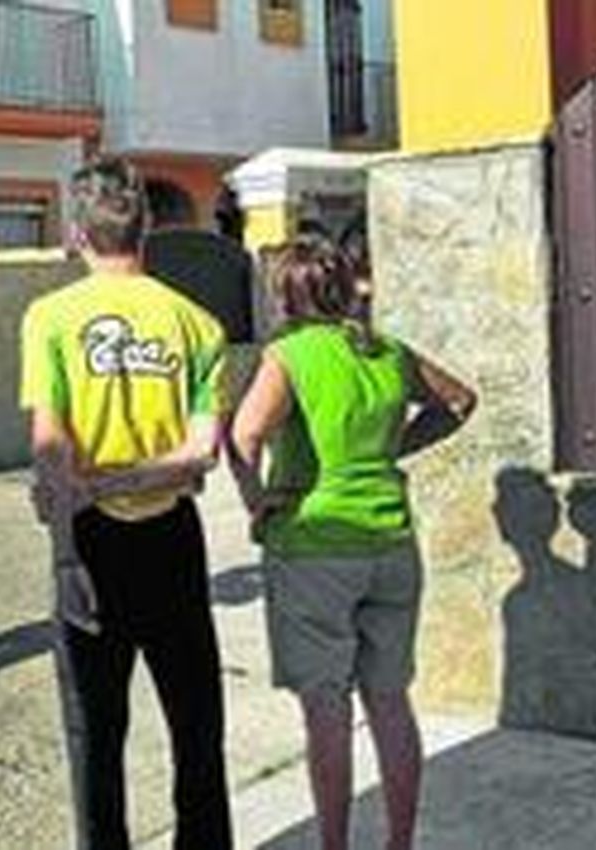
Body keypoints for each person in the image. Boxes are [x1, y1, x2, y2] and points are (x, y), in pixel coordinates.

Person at [227, 237, 477, 850]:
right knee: (391, 703)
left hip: (314, 551)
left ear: (287, 294)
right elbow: (460, 400)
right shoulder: (388, 350)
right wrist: (395, 449)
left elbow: (242, 437)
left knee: (327, 712)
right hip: (391, 545)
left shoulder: (288, 356)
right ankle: (399, 843)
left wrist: (258, 503)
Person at [21, 156, 234, 850]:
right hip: (174, 535)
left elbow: (51, 450)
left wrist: (66, 552)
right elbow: (203, 454)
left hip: (88, 541)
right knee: (196, 722)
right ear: (146, 230)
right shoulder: (197, 323)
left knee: (96, 730)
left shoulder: (49, 318)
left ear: (77, 233)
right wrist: (133, 479)